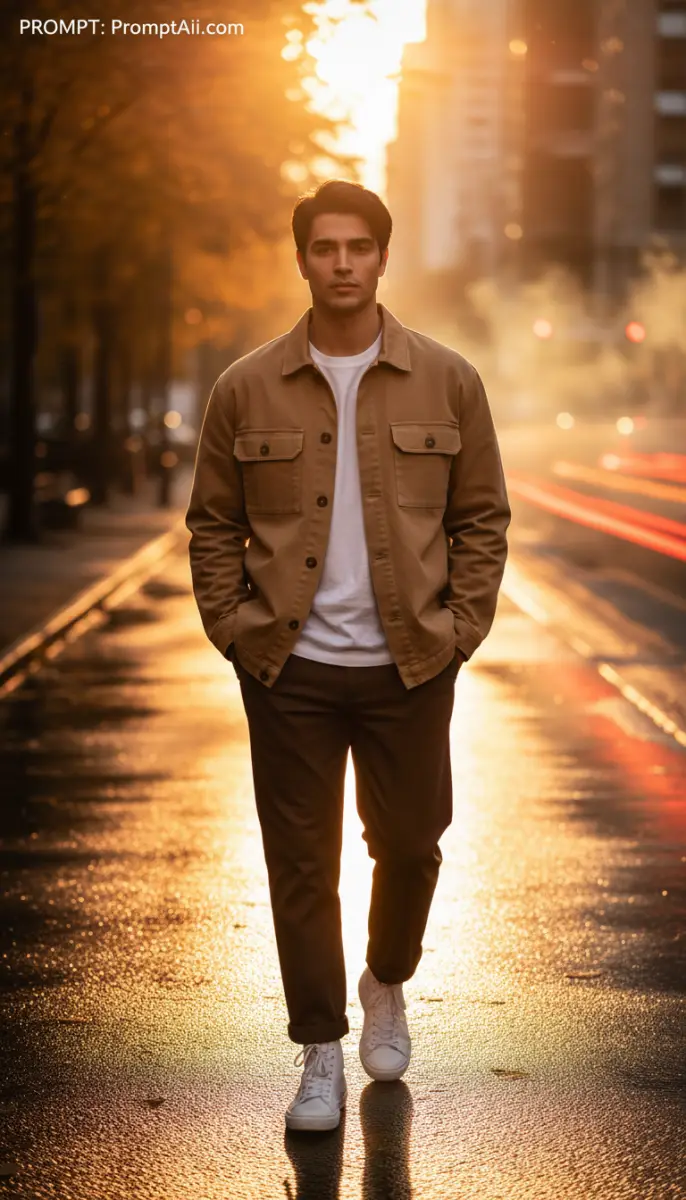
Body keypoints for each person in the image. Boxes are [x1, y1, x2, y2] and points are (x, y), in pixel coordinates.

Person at [186, 179, 511, 1132]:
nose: (340, 263)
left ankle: (385, 979)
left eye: (356, 247)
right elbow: (211, 522)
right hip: (287, 668)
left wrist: (460, 630)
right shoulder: (244, 385)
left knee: (411, 845)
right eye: (323, 247)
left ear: (380, 257)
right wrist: (233, 629)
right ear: (301, 259)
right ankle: (319, 1048)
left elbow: (482, 516)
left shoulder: (448, 378)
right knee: (300, 861)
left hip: (411, 663)